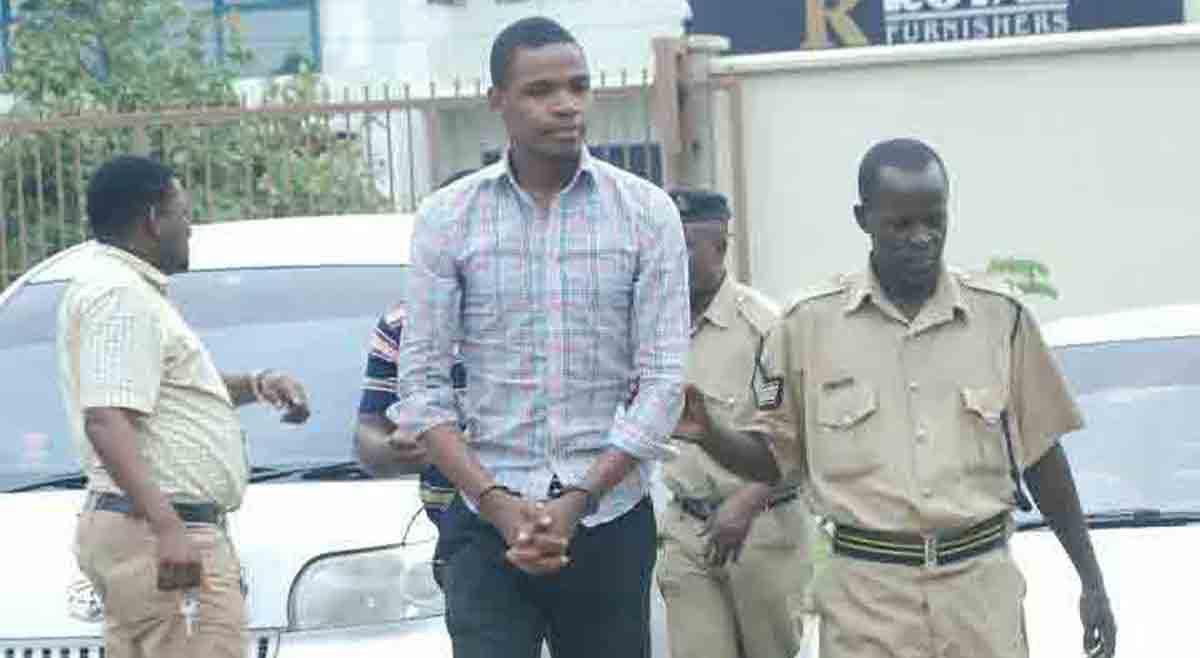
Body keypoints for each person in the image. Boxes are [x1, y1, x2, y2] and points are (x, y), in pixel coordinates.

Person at [677, 139, 1117, 658]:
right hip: (866, 601)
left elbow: (1043, 457)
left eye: (934, 221)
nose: (921, 238)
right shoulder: (804, 327)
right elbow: (772, 458)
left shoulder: (1002, 319)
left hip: (979, 596)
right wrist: (711, 434)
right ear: (863, 219)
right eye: (900, 225)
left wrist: (1091, 580)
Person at [387, 16, 689, 658]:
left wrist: (580, 498)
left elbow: (664, 382)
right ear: (497, 100)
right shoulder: (448, 218)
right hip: (485, 521)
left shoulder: (646, 213)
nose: (566, 105)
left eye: (578, 86)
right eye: (540, 90)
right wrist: (495, 503)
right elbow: (421, 384)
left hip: (609, 518)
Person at [57, 155, 311, 658]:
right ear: (154, 220)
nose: (189, 228)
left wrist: (256, 385)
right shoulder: (119, 294)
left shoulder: (120, 288)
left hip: (145, 527)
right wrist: (168, 527)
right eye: (184, 213)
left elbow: (158, 393)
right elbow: (106, 419)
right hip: (158, 529)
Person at [656, 188, 813, 658]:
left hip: (761, 529)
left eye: (685, 247)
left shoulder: (765, 327)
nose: (670, 259)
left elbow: (793, 434)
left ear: (720, 248)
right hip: (687, 529)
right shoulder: (655, 325)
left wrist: (745, 504)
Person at [354, 168, 476, 588]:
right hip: (460, 541)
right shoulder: (402, 325)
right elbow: (368, 435)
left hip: (553, 525)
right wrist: (396, 448)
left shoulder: (554, 319)